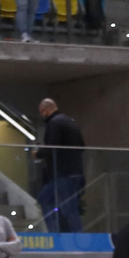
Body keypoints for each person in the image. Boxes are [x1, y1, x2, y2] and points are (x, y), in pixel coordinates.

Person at [37, 98, 86, 233]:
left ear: (46, 110)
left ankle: (65, 235)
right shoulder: (71, 121)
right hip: (76, 171)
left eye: (42, 112)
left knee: (63, 206)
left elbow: (51, 148)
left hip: (62, 173)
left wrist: (38, 153)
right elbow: (82, 146)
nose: (43, 115)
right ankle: (68, 234)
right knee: (67, 206)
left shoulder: (54, 123)